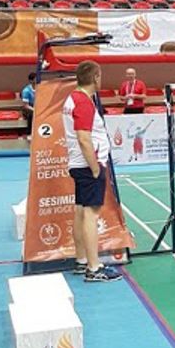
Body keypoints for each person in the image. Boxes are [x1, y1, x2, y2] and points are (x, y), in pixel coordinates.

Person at [63, 61, 122, 283]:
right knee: (91, 214)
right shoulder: (83, 102)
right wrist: (95, 166)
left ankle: (81, 260)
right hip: (88, 166)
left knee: (80, 211)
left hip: (79, 165)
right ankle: (94, 267)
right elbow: (83, 138)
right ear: (96, 77)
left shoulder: (72, 98)